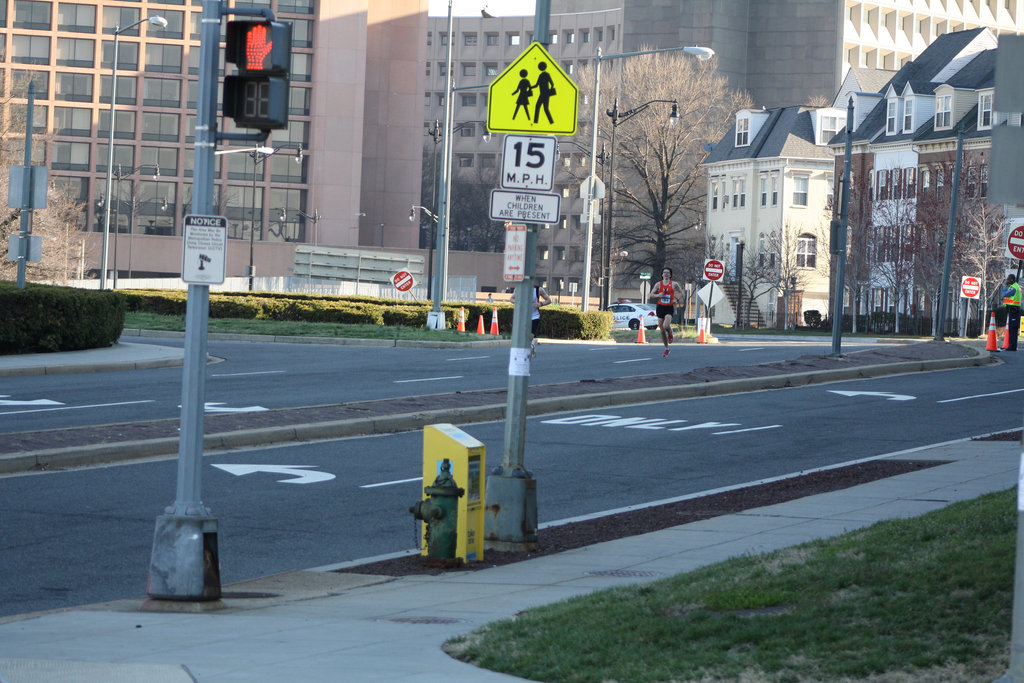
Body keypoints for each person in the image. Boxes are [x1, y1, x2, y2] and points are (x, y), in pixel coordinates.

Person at [649, 267, 684, 357]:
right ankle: (666, 348)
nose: (666, 274)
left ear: (670, 274)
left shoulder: (674, 284)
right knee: (662, 330)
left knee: (665, 325)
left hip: (669, 307)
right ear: (662, 274)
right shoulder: (658, 284)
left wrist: (676, 299)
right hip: (660, 307)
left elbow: (681, 292)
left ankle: (670, 332)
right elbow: (651, 294)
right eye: (664, 272)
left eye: (668, 272)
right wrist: (658, 295)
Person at [513, 282, 551, 357]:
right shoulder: (519, 288)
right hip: (523, 317)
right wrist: (518, 302)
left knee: (529, 339)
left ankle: (528, 355)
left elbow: (549, 300)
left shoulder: (538, 289)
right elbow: (511, 299)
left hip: (534, 317)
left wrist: (540, 304)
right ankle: (530, 348)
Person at [1003, 274, 1021, 351]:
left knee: (1012, 329)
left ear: (1011, 280)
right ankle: (1012, 346)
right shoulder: (1016, 286)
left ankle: (1012, 346)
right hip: (1015, 309)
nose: (1007, 281)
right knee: (1013, 328)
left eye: (1008, 279)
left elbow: (1004, 294)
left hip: (1014, 310)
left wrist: (1004, 287)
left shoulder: (1013, 288)